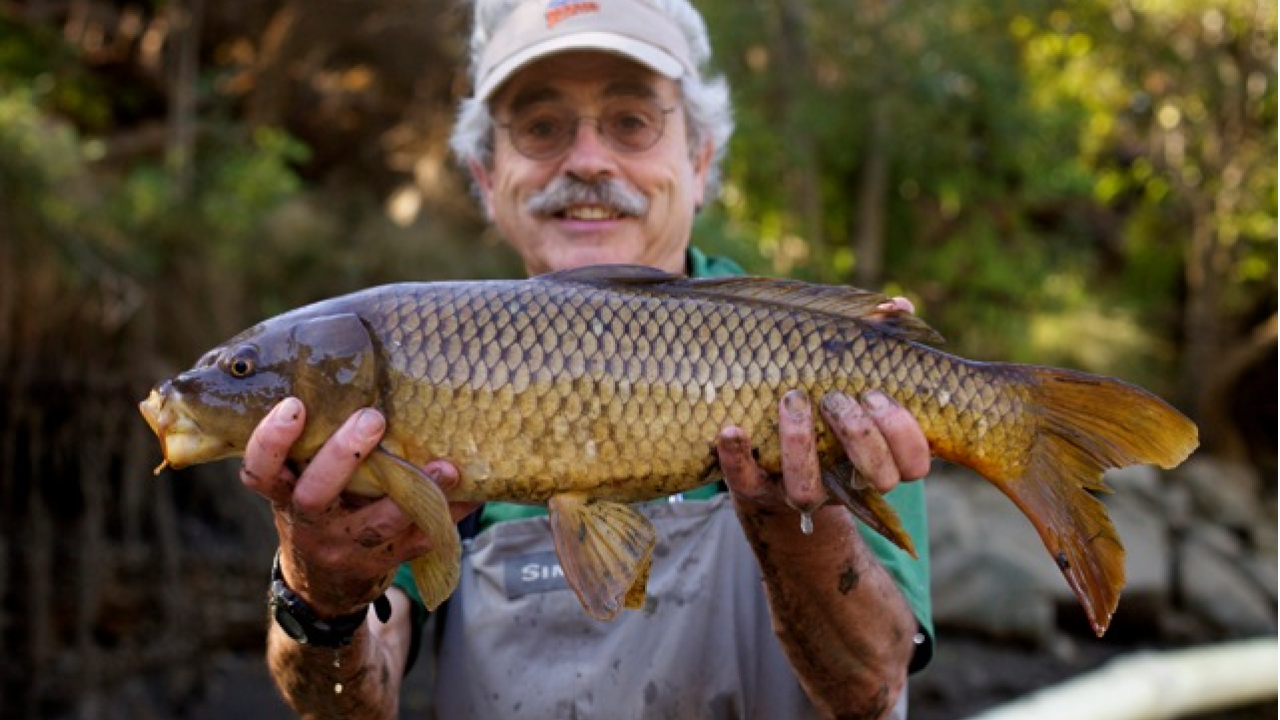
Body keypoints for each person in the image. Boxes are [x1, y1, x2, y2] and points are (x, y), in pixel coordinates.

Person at [241, 0, 934, 718]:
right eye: (541, 128)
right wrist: (317, 600)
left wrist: (796, 523)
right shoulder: (431, 368)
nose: (588, 160)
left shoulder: (814, 357)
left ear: (699, 162)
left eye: (631, 122)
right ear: (487, 177)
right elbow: (345, 709)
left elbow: (872, 693)